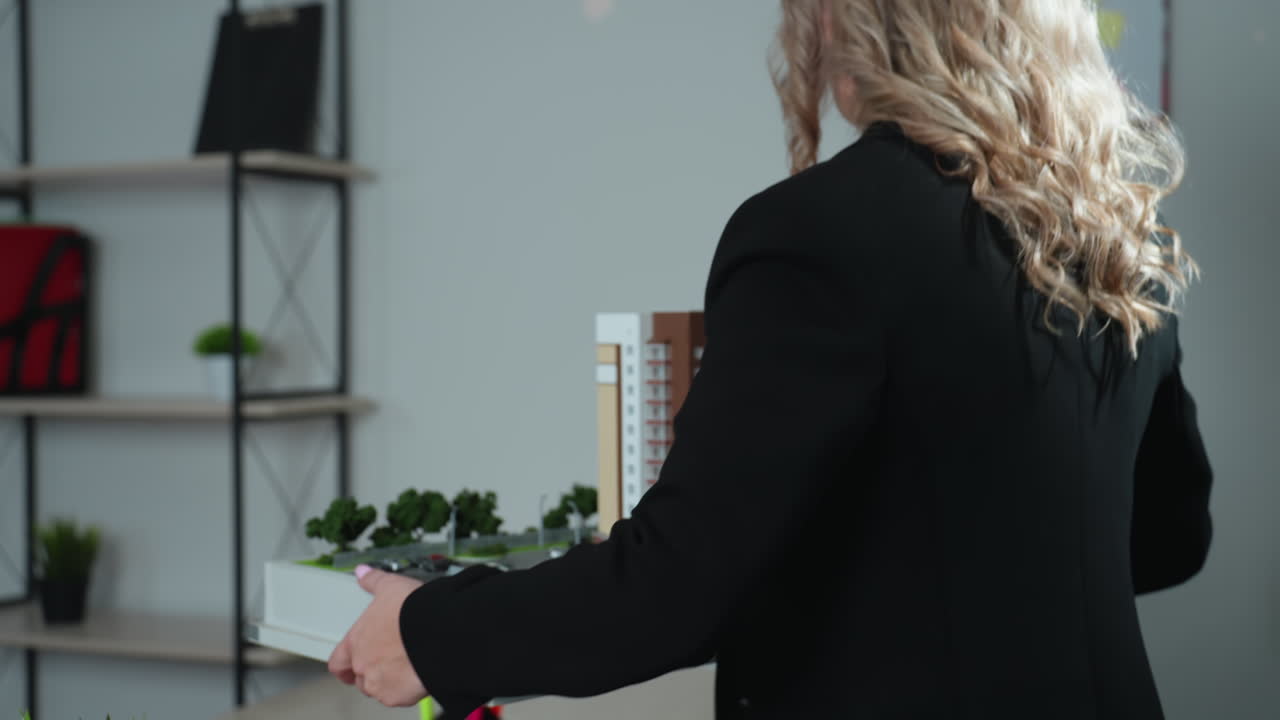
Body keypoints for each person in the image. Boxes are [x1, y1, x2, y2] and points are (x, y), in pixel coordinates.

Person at [328, 0, 1213, 717]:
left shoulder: (821, 232)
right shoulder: (1119, 234)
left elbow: (671, 587)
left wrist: (430, 631)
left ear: (843, 23)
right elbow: (1170, 537)